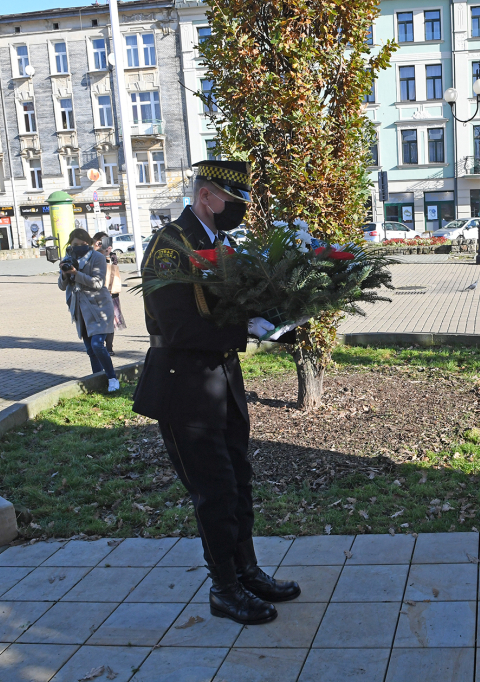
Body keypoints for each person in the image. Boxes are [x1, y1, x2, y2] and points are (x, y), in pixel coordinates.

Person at [132, 160, 301, 626]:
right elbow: (180, 327)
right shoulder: (171, 246)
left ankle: (247, 570)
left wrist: (283, 320)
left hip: (222, 381)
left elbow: (237, 307)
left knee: (238, 482)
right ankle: (224, 589)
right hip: (183, 384)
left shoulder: (220, 243)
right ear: (206, 195)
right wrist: (246, 329)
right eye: (234, 201)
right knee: (213, 491)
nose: (240, 210)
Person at [58, 228, 120, 392]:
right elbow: (61, 286)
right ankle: (98, 380)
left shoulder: (97, 257)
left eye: (82, 244)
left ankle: (112, 378)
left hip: (98, 307)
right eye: (75, 244)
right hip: (79, 309)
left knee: (98, 345)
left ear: (88, 243)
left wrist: (75, 273)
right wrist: (65, 274)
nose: (78, 247)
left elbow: (98, 283)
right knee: (91, 350)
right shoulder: (68, 258)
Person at [93, 232, 127, 354]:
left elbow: (113, 272)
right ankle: (100, 345)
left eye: (106, 242)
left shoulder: (111, 257)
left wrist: (109, 257)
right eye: (100, 242)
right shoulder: (92, 255)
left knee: (111, 321)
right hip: (97, 293)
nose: (104, 246)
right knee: (100, 321)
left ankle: (109, 347)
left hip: (111, 293)